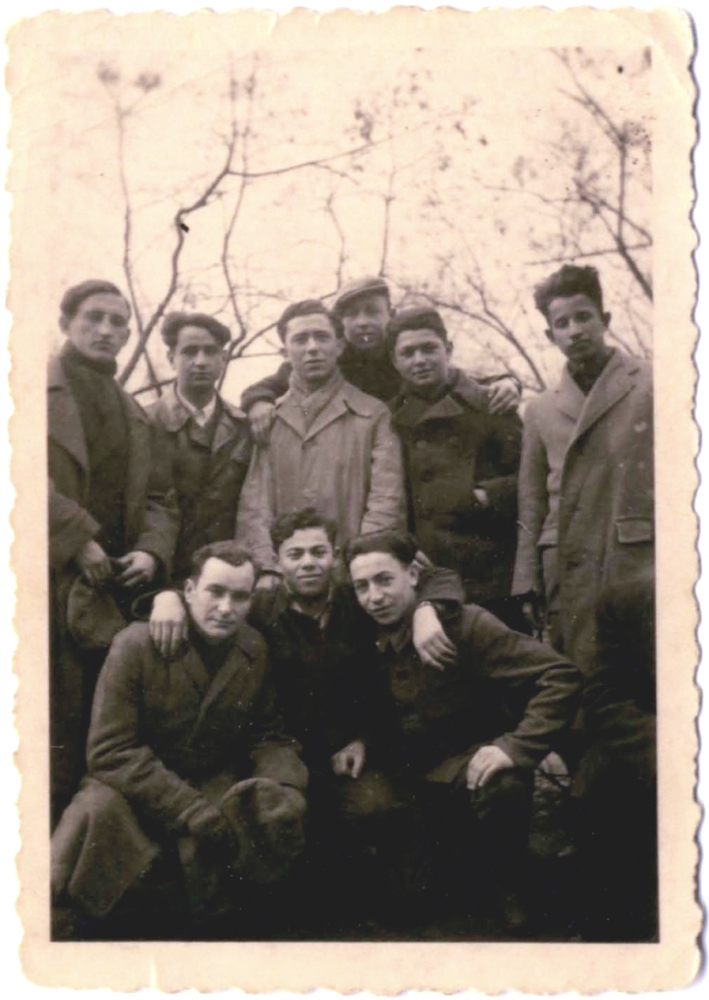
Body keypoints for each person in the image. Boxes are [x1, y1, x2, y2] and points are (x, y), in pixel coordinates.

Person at [147, 508, 464, 932]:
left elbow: (439, 577)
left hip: (347, 753)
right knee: (280, 851)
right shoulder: (257, 605)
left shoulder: (358, 600)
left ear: (335, 556)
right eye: (295, 554)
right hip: (281, 752)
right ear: (277, 562)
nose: (308, 562)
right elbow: (200, 599)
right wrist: (164, 597)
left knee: (377, 816)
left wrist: (426, 610)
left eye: (319, 551)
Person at [51, 542, 308, 940]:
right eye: (215, 592)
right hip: (131, 790)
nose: (226, 608)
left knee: (237, 888)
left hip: (209, 782)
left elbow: (268, 734)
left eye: (240, 597)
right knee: (92, 819)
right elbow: (109, 752)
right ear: (188, 591)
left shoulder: (252, 647)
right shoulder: (135, 644)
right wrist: (189, 808)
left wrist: (285, 785)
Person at [344, 530, 581, 931]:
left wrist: (516, 746)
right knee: (408, 905)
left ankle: (508, 883)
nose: (374, 596)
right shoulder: (356, 627)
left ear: (413, 575)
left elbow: (560, 675)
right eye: (362, 586)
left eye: (385, 580)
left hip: (463, 772)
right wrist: (359, 736)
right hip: (406, 783)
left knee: (503, 785)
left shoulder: (465, 625)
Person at [48, 279, 178, 824]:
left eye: (119, 322)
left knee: (102, 727)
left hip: (112, 596)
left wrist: (151, 552)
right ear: (66, 323)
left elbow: (159, 497)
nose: (107, 331)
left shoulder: (133, 410)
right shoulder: (22, 387)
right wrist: (78, 537)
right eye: (94, 317)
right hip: (39, 584)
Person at [512, 263, 653, 674]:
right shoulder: (540, 409)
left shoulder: (650, 383)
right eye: (562, 323)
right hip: (570, 560)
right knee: (583, 674)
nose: (575, 330)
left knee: (641, 675)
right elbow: (531, 500)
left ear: (604, 320)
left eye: (584, 317)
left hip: (633, 553)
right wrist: (527, 579)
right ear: (549, 335)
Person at [241, 276, 520, 445]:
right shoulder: (332, 359)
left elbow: (456, 378)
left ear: (391, 314)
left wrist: (506, 382)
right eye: (352, 314)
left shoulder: (407, 354)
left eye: (373, 312)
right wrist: (258, 402)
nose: (363, 322)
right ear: (340, 324)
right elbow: (271, 384)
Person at [236, 299, 405, 576]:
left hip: (354, 577)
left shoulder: (373, 415)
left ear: (339, 347)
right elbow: (254, 507)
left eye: (322, 337)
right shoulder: (269, 419)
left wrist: (363, 564)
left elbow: (386, 502)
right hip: (284, 579)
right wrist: (268, 570)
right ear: (285, 352)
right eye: (300, 339)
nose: (312, 348)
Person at [386, 305, 524, 625]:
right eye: (408, 353)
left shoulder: (490, 402)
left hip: (492, 567)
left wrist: (484, 496)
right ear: (394, 361)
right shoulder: (391, 418)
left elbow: (530, 477)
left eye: (429, 348)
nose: (419, 360)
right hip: (428, 569)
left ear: (448, 349)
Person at [145, 312, 252, 583]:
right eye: (189, 352)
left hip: (226, 573)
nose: (201, 361)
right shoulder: (144, 423)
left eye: (211, 352)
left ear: (223, 359)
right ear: (171, 359)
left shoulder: (244, 426)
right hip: (161, 571)